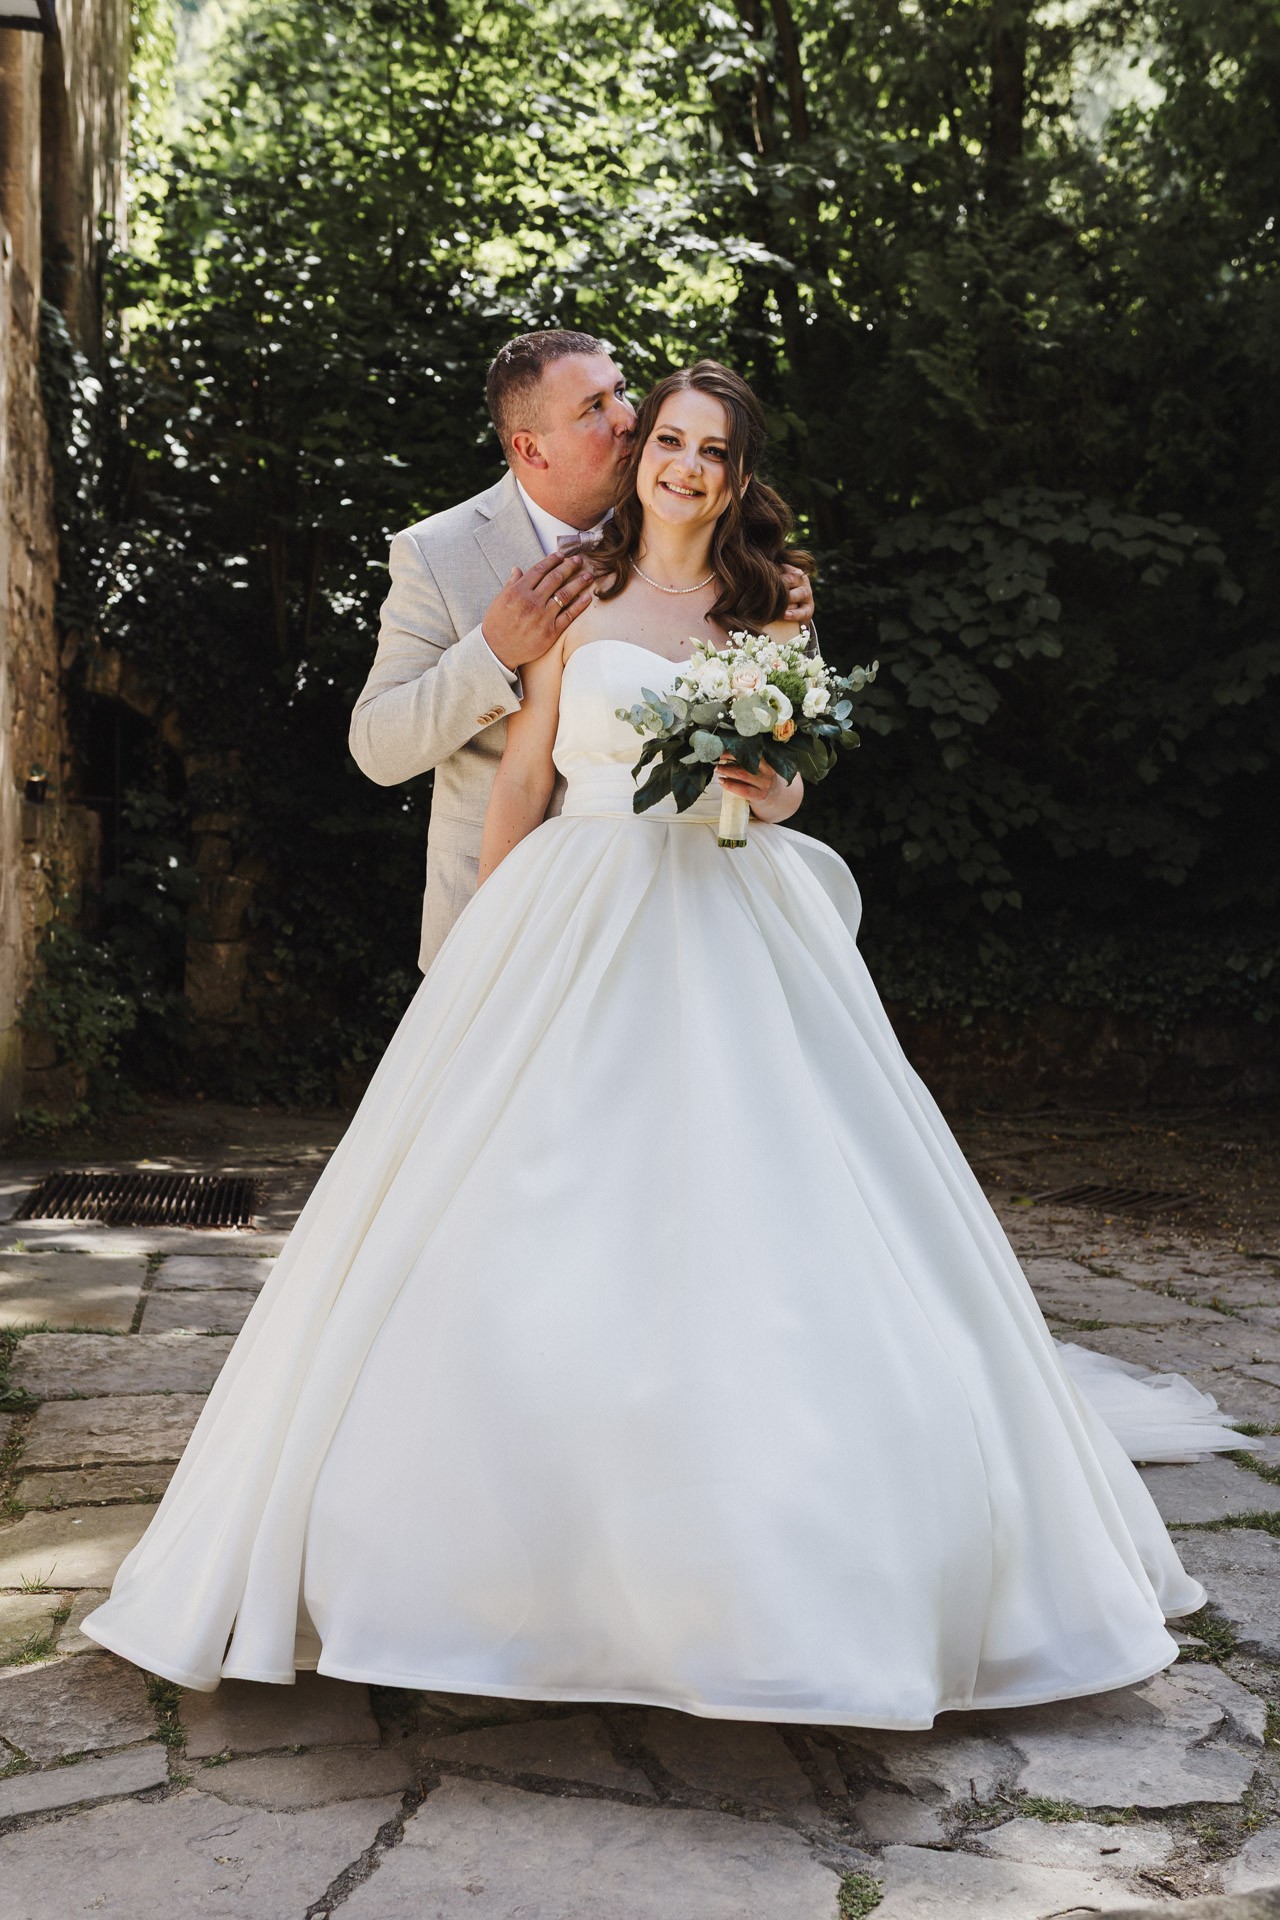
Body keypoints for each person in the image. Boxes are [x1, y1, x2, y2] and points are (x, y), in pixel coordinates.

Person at [83, 361, 1244, 1726]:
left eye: (708, 450)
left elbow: (798, 774)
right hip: (571, 906)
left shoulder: (775, 602)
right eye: (665, 441)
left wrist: (770, 775)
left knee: (762, 1214)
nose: (679, 463)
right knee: (519, 1213)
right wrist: (479, 970)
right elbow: (519, 782)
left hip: (728, 912)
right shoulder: (578, 590)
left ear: (739, 476)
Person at [348, 327, 815, 969]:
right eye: (594, 408)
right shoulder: (438, 554)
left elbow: (786, 771)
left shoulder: (686, 520)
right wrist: (493, 649)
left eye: (621, 392)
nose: (627, 419)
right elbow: (378, 747)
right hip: (506, 913)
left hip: (693, 910)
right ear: (530, 447)